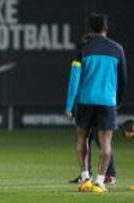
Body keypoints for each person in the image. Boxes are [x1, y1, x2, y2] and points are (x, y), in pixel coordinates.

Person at [65, 13, 127, 192]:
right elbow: (123, 78)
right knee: (106, 142)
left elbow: (74, 79)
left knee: (81, 138)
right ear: (106, 28)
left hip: (85, 100)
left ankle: (85, 177)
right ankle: (100, 181)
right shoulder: (117, 49)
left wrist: (69, 106)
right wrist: (118, 100)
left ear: (90, 28)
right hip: (107, 101)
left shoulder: (83, 48)